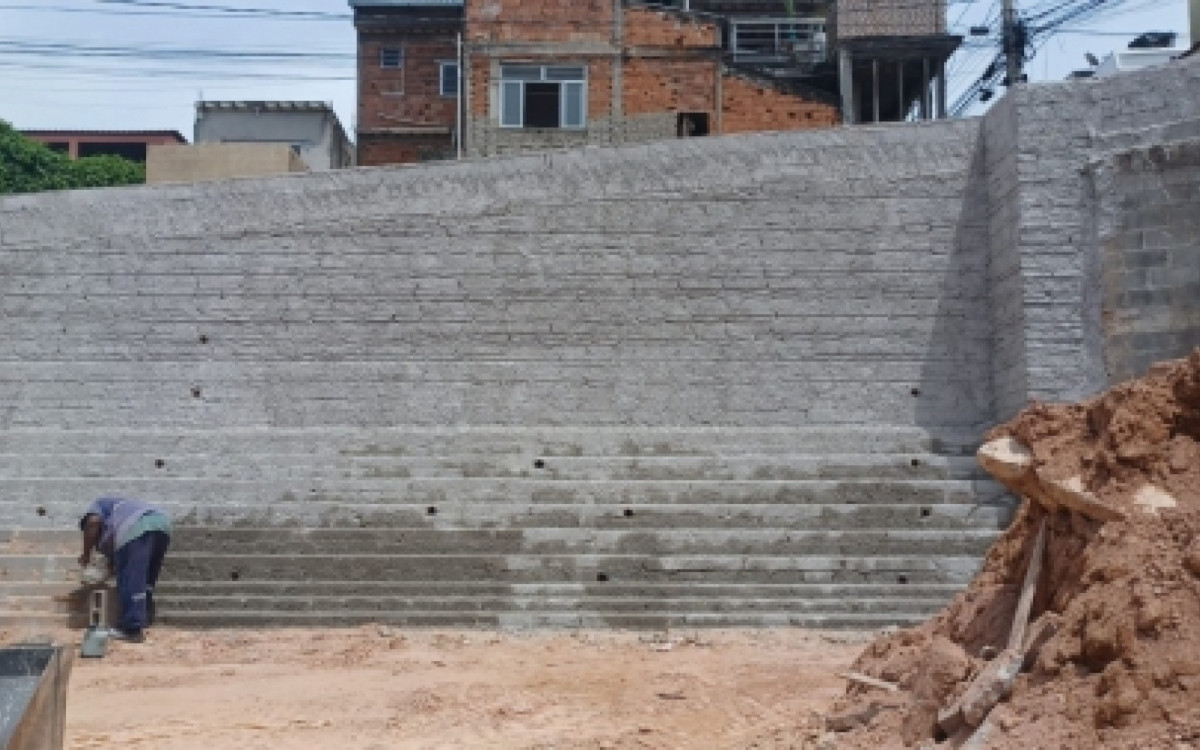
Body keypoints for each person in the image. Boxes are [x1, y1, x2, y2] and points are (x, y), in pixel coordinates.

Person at [78, 497, 172, 643]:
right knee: (146, 578)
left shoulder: (99, 505)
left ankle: (131, 629)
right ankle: (145, 618)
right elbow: (114, 557)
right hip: (162, 524)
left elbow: (92, 522)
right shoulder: (119, 512)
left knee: (131, 578)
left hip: (137, 525)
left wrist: (86, 554)